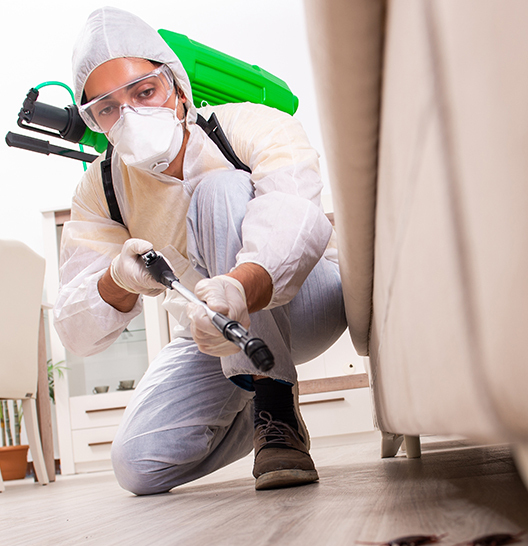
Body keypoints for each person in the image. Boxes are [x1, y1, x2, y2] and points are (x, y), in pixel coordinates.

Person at [53, 7, 346, 494]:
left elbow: (297, 215)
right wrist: (117, 280)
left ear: (176, 84)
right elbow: (74, 328)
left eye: (144, 92)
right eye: (107, 108)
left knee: (220, 190)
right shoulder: (102, 189)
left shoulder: (250, 125)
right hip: (213, 331)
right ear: (94, 120)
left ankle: (275, 409)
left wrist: (240, 286)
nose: (130, 116)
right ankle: (254, 412)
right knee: (138, 465)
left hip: (307, 303)